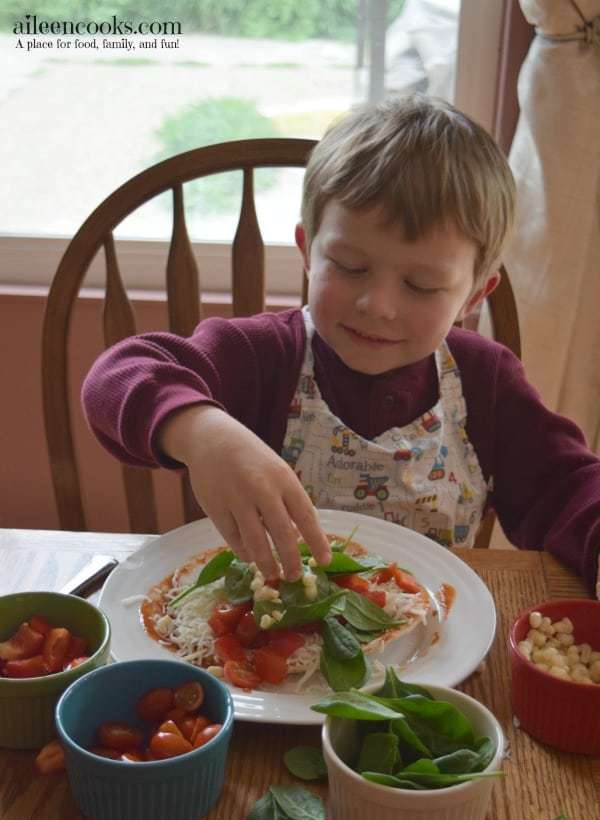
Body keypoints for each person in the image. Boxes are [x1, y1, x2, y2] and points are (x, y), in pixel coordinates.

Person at [82, 94, 600, 597]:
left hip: (427, 658)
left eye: (420, 286)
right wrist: (200, 433)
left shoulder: (486, 382)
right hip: (250, 648)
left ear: (474, 294)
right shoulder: (259, 358)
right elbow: (117, 375)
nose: (378, 305)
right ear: (308, 251)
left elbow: (565, 489)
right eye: (350, 267)